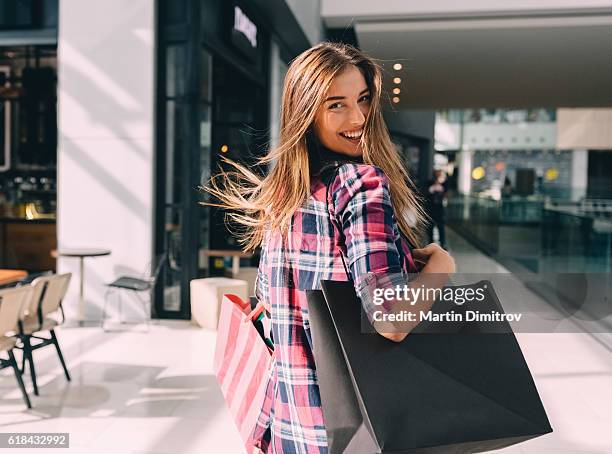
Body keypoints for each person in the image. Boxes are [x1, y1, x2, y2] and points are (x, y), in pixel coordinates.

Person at [205, 42, 455, 453]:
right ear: (305, 112)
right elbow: (391, 320)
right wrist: (441, 266)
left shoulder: (283, 195)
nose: (357, 118)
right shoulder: (360, 185)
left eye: (362, 100)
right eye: (335, 105)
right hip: (357, 431)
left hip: (288, 427)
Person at [426, 169, 448, 249]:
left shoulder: (444, 184)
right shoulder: (430, 183)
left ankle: (443, 244)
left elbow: (446, 193)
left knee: (441, 227)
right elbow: (427, 192)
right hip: (431, 208)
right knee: (430, 227)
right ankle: (431, 243)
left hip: (439, 209)